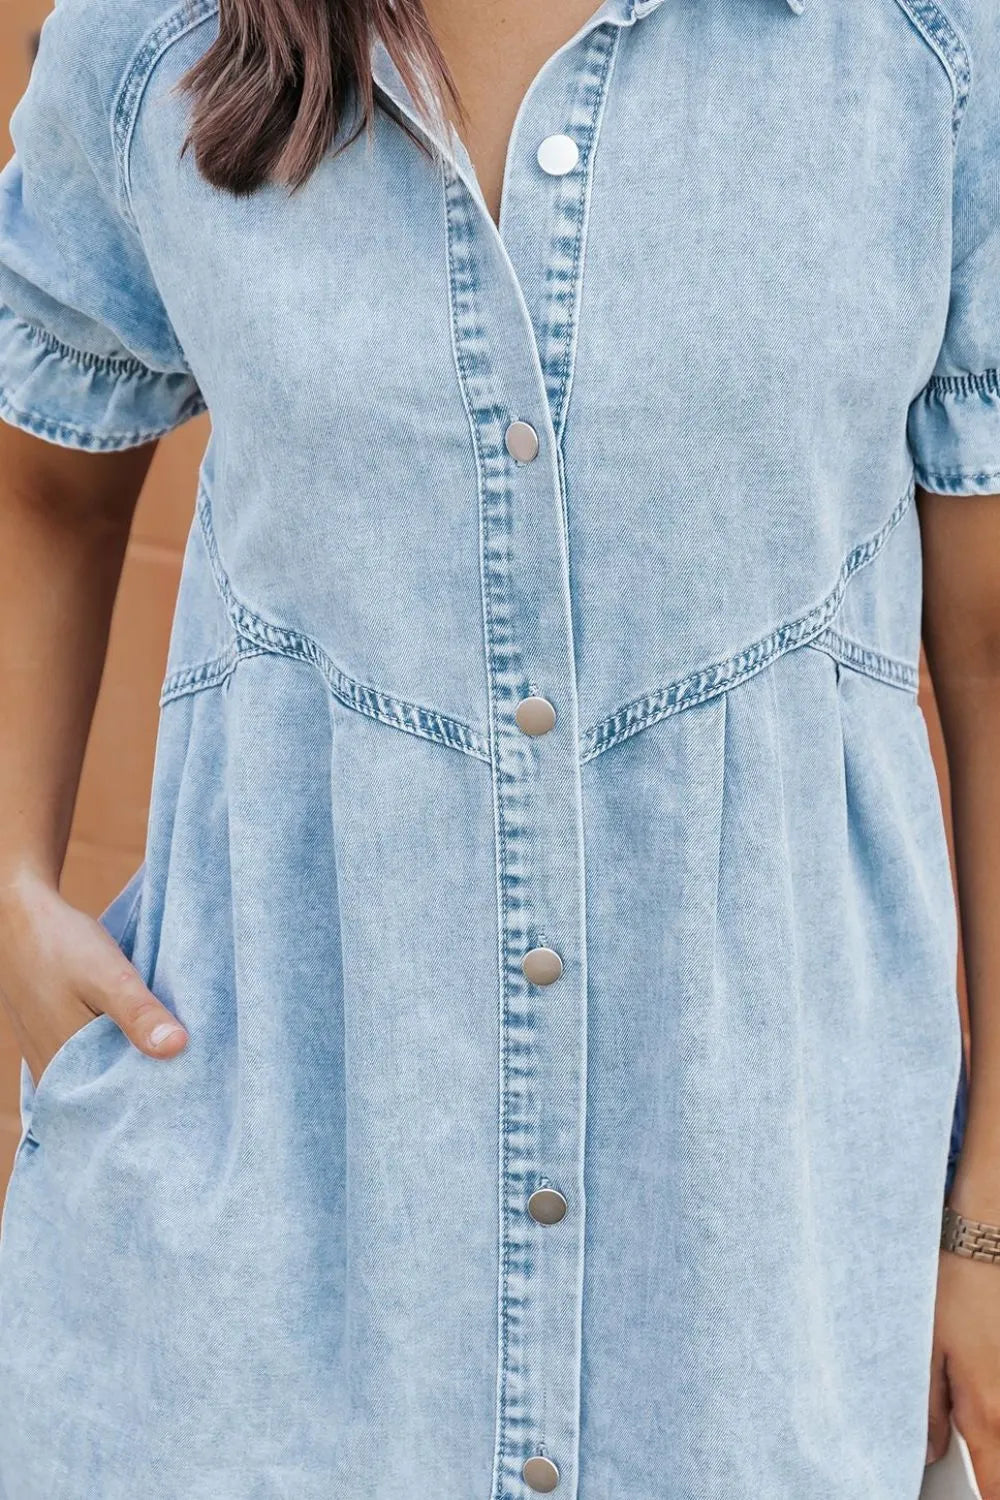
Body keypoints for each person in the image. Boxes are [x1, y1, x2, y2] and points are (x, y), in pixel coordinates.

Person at [0, 0, 997, 1494]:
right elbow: (45, 474)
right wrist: (10, 882)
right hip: (254, 1296)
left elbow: (988, 649)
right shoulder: (159, 33)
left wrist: (987, 1220)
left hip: (753, 1301)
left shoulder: (925, 47)